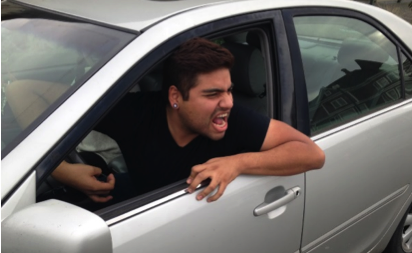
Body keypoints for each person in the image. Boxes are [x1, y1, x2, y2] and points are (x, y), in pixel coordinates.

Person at [52, 38, 325, 204]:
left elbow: (312, 154)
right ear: (175, 96)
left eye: (229, 90)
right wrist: (61, 171)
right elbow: (23, 91)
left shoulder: (234, 120)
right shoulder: (135, 114)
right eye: (213, 93)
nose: (228, 102)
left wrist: (238, 162)